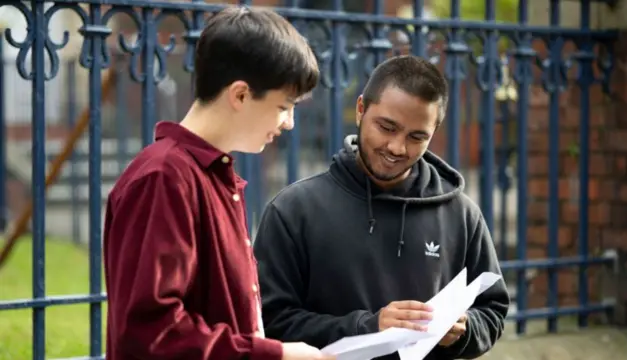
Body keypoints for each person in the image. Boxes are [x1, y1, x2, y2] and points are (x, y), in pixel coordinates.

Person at [103, 6, 335, 360]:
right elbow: (149, 335)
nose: (288, 122)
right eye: (283, 106)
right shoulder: (164, 179)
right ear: (240, 95)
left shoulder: (212, 176)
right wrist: (275, 356)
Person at [253, 55, 510, 359]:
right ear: (361, 110)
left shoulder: (462, 214)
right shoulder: (293, 211)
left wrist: (463, 330)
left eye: (417, 137)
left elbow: (493, 311)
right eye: (387, 127)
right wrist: (369, 326)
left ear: (434, 131)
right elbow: (269, 322)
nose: (397, 147)